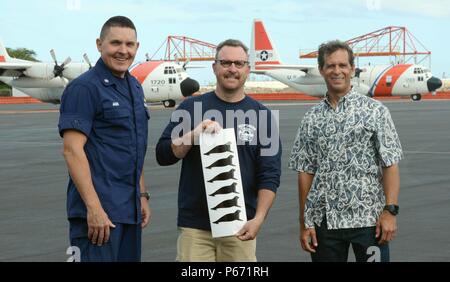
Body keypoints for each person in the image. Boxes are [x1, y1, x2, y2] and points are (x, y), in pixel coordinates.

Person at [156, 39, 281, 262]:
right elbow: (163, 154)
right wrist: (193, 135)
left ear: (248, 70)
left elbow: (269, 175)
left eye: (239, 63)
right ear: (214, 67)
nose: (232, 69)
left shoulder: (263, 116)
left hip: (240, 226)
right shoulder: (190, 108)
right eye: (225, 62)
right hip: (196, 229)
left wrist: (259, 218)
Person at [288, 40, 403, 262]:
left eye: (342, 65)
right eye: (330, 66)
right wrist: (305, 222)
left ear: (352, 68)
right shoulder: (311, 118)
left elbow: (390, 163)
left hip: (370, 223)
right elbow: (305, 172)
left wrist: (390, 212)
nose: (337, 71)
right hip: (324, 224)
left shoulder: (376, 111)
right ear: (321, 70)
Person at [58, 16, 150, 262]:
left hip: (128, 211)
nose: (123, 51)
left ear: (137, 48)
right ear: (100, 44)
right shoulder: (84, 88)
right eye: (115, 43)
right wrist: (94, 208)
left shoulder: (134, 87)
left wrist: (141, 195)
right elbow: (72, 150)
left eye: (129, 45)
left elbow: (134, 147)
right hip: (97, 216)